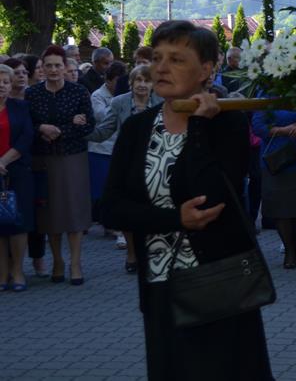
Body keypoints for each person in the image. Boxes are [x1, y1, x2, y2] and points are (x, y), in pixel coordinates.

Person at [101, 20, 272, 380]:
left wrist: (198, 125)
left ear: (206, 70)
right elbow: (110, 207)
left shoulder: (227, 124)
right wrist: (173, 219)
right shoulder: (137, 129)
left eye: (176, 59)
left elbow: (209, 200)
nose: (161, 67)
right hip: (161, 287)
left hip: (219, 285)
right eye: (157, 58)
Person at [25, 45, 95, 285]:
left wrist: (60, 131)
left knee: (73, 211)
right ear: (42, 69)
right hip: (43, 159)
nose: (53, 70)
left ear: (65, 67)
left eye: (57, 65)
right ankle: (57, 261)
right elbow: (27, 126)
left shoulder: (78, 92)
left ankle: (76, 263)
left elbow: (88, 125)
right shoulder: (33, 94)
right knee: (50, 214)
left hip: (72, 158)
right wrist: (41, 128)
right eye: (49, 66)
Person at [88, 64, 162, 273]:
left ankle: (151, 253)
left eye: (146, 80)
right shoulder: (119, 102)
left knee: (151, 210)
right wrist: (80, 131)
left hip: (154, 162)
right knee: (128, 211)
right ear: (131, 82)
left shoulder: (161, 102)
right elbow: (104, 131)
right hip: (126, 163)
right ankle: (131, 253)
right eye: (138, 80)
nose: (142, 84)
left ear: (153, 84)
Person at [251, 107, 296, 269]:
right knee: (281, 208)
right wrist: (282, 130)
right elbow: (258, 127)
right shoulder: (266, 98)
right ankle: (289, 250)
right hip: (275, 161)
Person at [0, 64, 34, 292]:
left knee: (18, 222)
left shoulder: (20, 107)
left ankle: (18, 271)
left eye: (5, 82)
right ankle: (2, 273)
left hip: (17, 171)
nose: (1, 86)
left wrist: (3, 161)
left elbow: (26, 136)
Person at [88, 61, 127, 238]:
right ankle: (107, 223)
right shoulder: (97, 96)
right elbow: (102, 116)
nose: (119, 84)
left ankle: (114, 221)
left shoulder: (125, 95)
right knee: (102, 190)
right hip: (101, 149)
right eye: (116, 81)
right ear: (108, 80)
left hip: (118, 148)